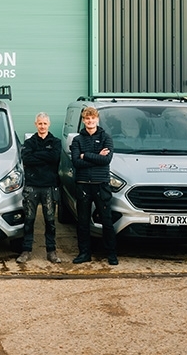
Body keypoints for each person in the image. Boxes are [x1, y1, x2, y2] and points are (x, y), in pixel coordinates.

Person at [70, 106, 118, 265]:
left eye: (92, 118)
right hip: (83, 185)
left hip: (101, 184)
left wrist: (86, 155)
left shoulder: (106, 138)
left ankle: (111, 254)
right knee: (82, 221)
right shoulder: (77, 140)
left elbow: (106, 160)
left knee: (106, 220)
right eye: (87, 119)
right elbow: (76, 162)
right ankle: (84, 253)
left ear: (97, 119)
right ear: (83, 121)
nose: (90, 121)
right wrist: (96, 156)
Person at [16, 112, 62, 264]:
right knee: (29, 220)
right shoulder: (29, 142)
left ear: (49, 124)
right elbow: (26, 159)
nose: (42, 126)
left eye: (45, 124)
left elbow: (55, 157)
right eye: (40, 123)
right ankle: (26, 250)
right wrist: (45, 156)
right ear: (35, 124)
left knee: (50, 221)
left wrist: (37, 156)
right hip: (32, 186)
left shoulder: (55, 142)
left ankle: (51, 251)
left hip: (49, 186)